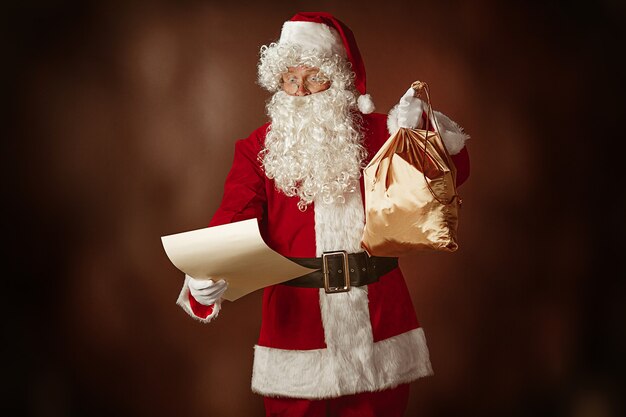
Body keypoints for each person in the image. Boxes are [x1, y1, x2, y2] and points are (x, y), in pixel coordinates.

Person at [176, 12, 470, 417]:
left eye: (314, 77)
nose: (300, 91)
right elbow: (233, 219)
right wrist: (203, 273)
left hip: (379, 325)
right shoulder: (257, 149)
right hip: (296, 332)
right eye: (289, 79)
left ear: (340, 81)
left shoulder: (381, 133)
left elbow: (450, 179)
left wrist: (421, 131)